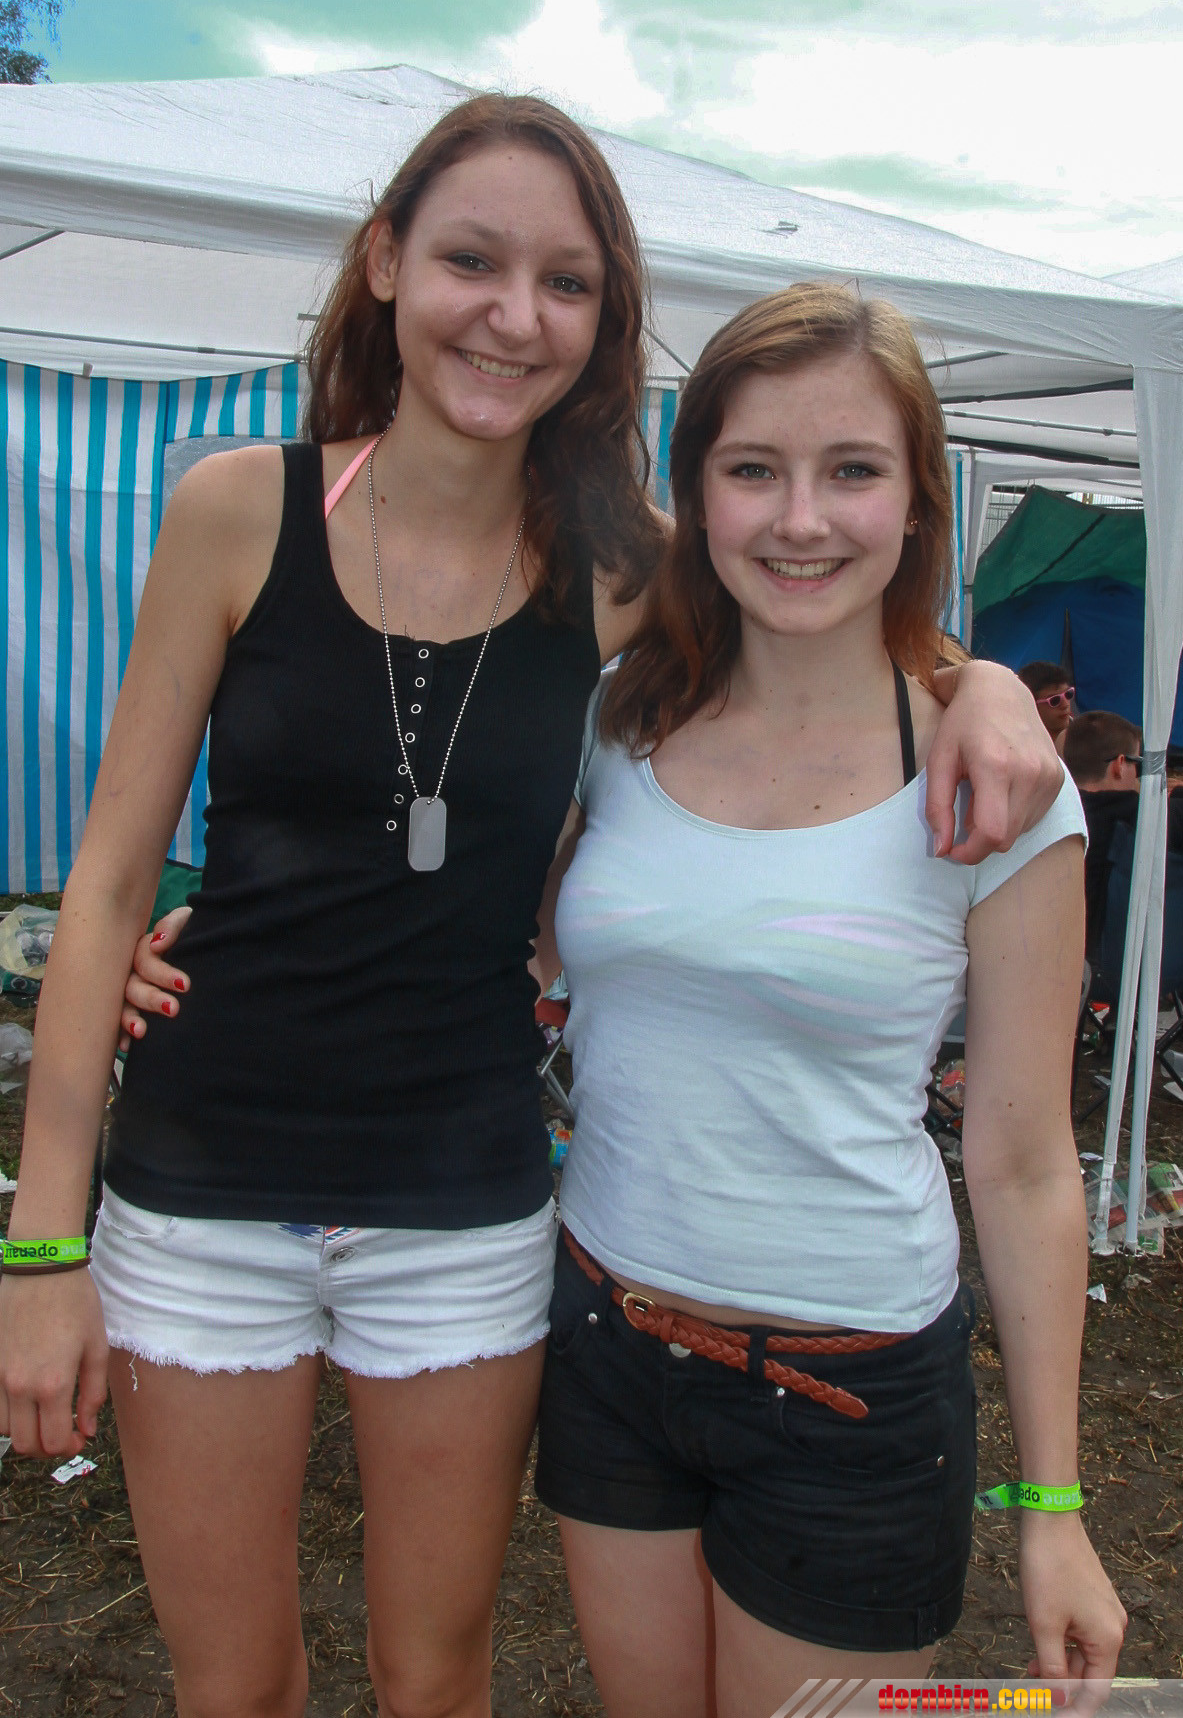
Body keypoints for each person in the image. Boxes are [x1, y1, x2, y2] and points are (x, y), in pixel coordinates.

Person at [0, 95, 1062, 1718]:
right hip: (199, 1189)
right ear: (384, 263)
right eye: (470, 262)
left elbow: (819, 594)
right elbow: (104, 890)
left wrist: (977, 680)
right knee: (233, 1686)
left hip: (463, 1200)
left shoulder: (620, 568)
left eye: (564, 282)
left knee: (435, 1677)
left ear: (602, 320)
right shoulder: (236, 508)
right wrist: (40, 1241)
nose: (512, 315)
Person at [531, 285, 1125, 1713]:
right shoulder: (614, 718)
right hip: (605, 1338)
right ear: (697, 494)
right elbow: (483, 927)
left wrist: (1050, 1504)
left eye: (851, 469)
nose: (799, 519)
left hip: (849, 1393)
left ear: (917, 501)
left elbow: (1024, 1160)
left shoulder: (997, 786)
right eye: (753, 468)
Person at [1064, 710, 1183, 960]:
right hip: (1124, 970)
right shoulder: (1145, 819)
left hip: (1060, 961)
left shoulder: (1051, 816)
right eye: (1137, 764)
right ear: (1119, 765)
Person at [1018, 661, 1075, 753]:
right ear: (1031, 705)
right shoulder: (1020, 750)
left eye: (1068, 694)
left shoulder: (1088, 738)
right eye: (1054, 700)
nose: (1065, 705)